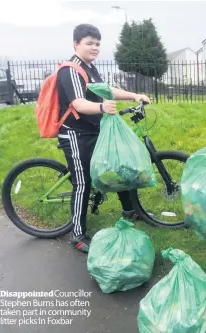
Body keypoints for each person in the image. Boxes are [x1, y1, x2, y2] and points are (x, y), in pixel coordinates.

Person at [57, 24, 150, 253]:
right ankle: (77, 234)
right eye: (89, 43)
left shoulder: (90, 68)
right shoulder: (70, 69)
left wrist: (133, 95)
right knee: (82, 183)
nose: (95, 47)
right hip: (75, 134)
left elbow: (107, 89)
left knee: (118, 166)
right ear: (76, 44)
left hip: (95, 130)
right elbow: (78, 103)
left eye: (97, 43)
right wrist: (101, 106)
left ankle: (129, 210)